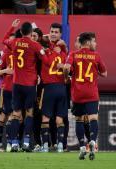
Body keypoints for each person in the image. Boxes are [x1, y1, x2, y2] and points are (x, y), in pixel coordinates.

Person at [3, 19, 48, 152]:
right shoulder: (35, 45)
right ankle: (27, 142)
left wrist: (11, 27)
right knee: (29, 113)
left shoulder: (14, 42)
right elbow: (45, 60)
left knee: (16, 113)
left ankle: (15, 143)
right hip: (30, 84)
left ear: (21, 32)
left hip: (16, 84)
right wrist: (45, 50)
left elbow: (4, 40)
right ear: (31, 32)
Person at [63, 32, 107, 160]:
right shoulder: (96, 56)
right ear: (87, 42)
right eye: (93, 41)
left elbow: (66, 67)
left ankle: (82, 146)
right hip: (91, 93)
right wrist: (95, 70)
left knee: (79, 119)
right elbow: (105, 74)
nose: (95, 44)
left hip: (77, 93)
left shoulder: (73, 54)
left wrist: (67, 78)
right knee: (93, 118)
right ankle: (92, 141)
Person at [38, 23, 68, 153]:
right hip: (60, 88)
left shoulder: (45, 51)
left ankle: (46, 145)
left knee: (46, 118)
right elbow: (67, 68)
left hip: (50, 88)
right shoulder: (64, 53)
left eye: (56, 32)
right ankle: (60, 145)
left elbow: (39, 40)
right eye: (52, 31)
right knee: (59, 119)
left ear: (60, 34)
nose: (53, 33)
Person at [0, 34, 14, 152]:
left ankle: (10, 144)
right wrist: (5, 70)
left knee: (13, 117)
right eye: (9, 41)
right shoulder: (5, 55)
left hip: (17, 89)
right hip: (5, 89)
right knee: (3, 116)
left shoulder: (22, 54)